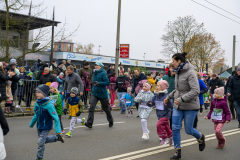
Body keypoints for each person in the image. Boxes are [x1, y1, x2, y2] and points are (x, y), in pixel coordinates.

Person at [164, 52, 205, 160]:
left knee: (189, 130)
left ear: (179, 61)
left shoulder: (190, 72)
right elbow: (178, 90)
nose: (172, 63)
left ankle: (200, 137)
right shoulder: (178, 72)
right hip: (178, 106)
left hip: (190, 106)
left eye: (173, 61)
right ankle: (177, 151)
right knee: (175, 128)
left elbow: (196, 90)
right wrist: (168, 97)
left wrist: (182, 99)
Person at [29, 84, 64, 160]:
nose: (37, 94)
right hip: (39, 125)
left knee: (40, 142)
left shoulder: (49, 105)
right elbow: (36, 114)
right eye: (36, 92)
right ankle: (57, 138)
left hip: (46, 126)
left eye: (39, 92)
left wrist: (58, 131)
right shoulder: (37, 103)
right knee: (42, 141)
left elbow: (56, 118)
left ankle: (39, 158)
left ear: (44, 94)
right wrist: (32, 123)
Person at [84, 62, 114, 128]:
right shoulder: (94, 73)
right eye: (95, 65)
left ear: (100, 66)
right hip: (94, 93)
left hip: (102, 93)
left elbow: (107, 83)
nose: (96, 66)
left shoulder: (103, 73)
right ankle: (89, 123)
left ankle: (110, 120)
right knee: (91, 107)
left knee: (106, 108)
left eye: (97, 65)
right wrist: (92, 83)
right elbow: (93, 81)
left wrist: (99, 83)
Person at [147, 80, 173, 145]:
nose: (156, 87)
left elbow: (171, 105)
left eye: (158, 85)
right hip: (159, 114)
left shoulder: (167, 96)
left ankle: (164, 138)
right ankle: (171, 136)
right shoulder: (156, 95)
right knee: (166, 127)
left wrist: (167, 103)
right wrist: (149, 103)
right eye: (156, 85)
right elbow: (152, 103)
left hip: (166, 114)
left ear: (163, 87)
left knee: (159, 125)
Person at [163, 63, 175, 130]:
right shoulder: (165, 78)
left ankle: (171, 131)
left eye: (174, 67)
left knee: (173, 117)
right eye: (171, 67)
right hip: (166, 99)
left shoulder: (178, 77)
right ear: (169, 68)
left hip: (175, 99)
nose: (173, 69)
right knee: (166, 116)